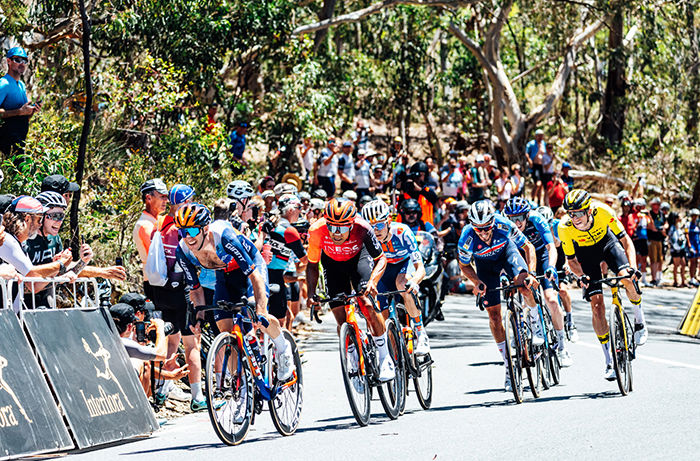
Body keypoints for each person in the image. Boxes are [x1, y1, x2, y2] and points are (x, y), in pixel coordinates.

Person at [175, 203, 296, 382]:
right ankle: (239, 384)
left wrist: (260, 308)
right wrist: (199, 316)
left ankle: (283, 348)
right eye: (182, 232)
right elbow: (196, 288)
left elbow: (254, 276)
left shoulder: (224, 237)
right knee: (225, 328)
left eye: (192, 231)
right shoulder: (183, 251)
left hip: (250, 268)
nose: (187, 238)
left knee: (259, 315)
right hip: (224, 274)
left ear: (205, 228)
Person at [558, 189, 648, 381]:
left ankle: (639, 320)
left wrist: (632, 268)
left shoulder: (604, 211)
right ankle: (609, 360)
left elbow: (626, 241)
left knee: (626, 277)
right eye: (571, 213)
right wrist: (581, 276)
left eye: (579, 213)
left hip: (608, 245)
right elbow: (572, 260)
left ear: (589, 211)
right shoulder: (564, 227)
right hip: (586, 256)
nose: (575, 218)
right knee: (597, 307)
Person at [305, 198, 394, 381]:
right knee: (339, 314)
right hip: (332, 264)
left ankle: (385, 356)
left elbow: (381, 259)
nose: (337, 234)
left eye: (343, 228)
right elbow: (312, 265)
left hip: (358, 259)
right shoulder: (316, 231)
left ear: (352, 225)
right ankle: (353, 356)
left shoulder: (363, 228)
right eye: (333, 228)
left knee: (367, 303)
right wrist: (312, 293)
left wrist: (373, 282)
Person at [458, 200, 538, 391]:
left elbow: (528, 247)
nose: (484, 233)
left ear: (493, 221)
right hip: (485, 268)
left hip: (508, 255)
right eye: (479, 230)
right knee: (494, 316)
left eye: (487, 228)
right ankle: (508, 365)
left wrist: (532, 273)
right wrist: (476, 282)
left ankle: (535, 324)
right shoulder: (466, 238)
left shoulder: (504, 225)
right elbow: (464, 265)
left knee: (524, 286)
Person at [150, 184, 205, 411]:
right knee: (192, 342)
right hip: (182, 288)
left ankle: (162, 391)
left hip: (161, 288)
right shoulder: (185, 228)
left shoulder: (161, 223)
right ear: (186, 201)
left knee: (171, 340)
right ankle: (197, 396)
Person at [23, 191, 126, 308]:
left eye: (62, 216)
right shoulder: (25, 240)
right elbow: (29, 287)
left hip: (47, 304)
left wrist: (83, 261)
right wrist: (58, 269)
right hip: (23, 306)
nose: (59, 221)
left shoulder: (54, 239)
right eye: (55, 216)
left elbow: (63, 272)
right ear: (40, 217)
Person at [504, 197, 572, 366]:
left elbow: (551, 247)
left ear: (527, 216)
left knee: (551, 299)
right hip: (520, 257)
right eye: (512, 218)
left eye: (520, 218)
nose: (516, 222)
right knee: (520, 294)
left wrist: (550, 266)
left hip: (541, 255)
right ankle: (521, 331)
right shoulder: (505, 225)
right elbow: (503, 254)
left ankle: (562, 346)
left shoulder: (537, 219)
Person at [362, 200, 430, 355]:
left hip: (404, 265)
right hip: (383, 269)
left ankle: (421, 333)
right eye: (371, 227)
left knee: (403, 285)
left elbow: (421, 268)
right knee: (381, 316)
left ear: (388, 221)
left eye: (379, 225)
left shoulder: (402, 232)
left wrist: (414, 282)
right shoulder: (366, 238)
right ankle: (394, 356)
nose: (376, 231)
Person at [1, 196, 78, 311]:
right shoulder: (7, 241)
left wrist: (55, 267)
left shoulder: (20, 244)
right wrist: (60, 264)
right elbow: (31, 273)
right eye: (39, 219)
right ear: (27, 219)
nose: (40, 225)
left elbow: (35, 286)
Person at [109, 303, 188, 397]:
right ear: (130, 326)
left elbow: (149, 368)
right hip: (113, 389)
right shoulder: (123, 342)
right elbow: (160, 354)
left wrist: (171, 375)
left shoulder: (105, 336)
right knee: (144, 362)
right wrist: (160, 328)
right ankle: (140, 408)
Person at [262, 194, 308, 328]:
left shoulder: (269, 224)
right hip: (276, 277)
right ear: (290, 210)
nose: (301, 211)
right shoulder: (289, 231)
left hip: (260, 274)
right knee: (280, 321)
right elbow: (305, 260)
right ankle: (277, 348)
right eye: (299, 207)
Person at [537, 206, 578, 342]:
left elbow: (566, 248)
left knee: (562, 291)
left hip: (560, 259)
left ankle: (570, 320)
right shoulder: (535, 228)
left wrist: (567, 263)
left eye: (548, 223)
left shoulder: (557, 226)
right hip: (545, 259)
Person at [0, 47, 40, 157]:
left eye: (25, 61)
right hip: (6, 145)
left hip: (20, 144)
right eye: (17, 60)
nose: (22, 64)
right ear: (8, 61)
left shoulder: (21, 85)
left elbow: (23, 117)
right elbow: (18, 113)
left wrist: (31, 111)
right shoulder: (4, 84)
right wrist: (19, 112)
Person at [133, 179, 168, 299]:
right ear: (148, 198)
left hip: (159, 280)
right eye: (162, 197)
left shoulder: (156, 220)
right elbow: (158, 254)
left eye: (166, 197)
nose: (166, 201)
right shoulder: (145, 225)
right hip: (155, 282)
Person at [631, 198, 651, 286]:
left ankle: (644, 279)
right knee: (637, 258)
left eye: (641, 206)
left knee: (644, 259)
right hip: (636, 239)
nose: (640, 208)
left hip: (644, 238)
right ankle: (635, 279)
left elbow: (651, 225)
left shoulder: (645, 216)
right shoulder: (634, 215)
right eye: (638, 206)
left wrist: (648, 215)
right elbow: (633, 226)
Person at [647, 197, 666, 286]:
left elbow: (666, 223)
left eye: (658, 204)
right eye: (655, 204)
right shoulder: (649, 214)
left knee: (660, 259)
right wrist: (657, 229)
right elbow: (651, 226)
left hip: (660, 239)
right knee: (653, 259)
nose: (657, 206)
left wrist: (664, 227)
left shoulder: (661, 213)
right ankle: (653, 278)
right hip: (652, 239)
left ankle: (659, 277)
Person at [526, 129, 547, 205]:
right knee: (537, 183)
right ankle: (531, 199)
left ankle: (538, 201)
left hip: (542, 166)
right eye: (539, 136)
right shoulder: (531, 144)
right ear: (536, 136)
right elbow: (526, 153)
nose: (541, 138)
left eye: (542, 136)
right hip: (535, 166)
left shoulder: (544, 144)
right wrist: (529, 160)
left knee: (541, 185)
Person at [667, 212, 687, 287]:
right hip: (675, 249)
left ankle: (683, 281)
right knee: (676, 264)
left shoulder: (681, 226)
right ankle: (675, 281)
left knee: (683, 264)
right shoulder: (672, 228)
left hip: (682, 248)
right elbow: (670, 238)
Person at [686, 209, 700, 286]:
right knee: (692, 261)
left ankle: (695, 276)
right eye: (693, 216)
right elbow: (686, 234)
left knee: (697, 261)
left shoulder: (698, 225)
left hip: (698, 244)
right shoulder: (688, 224)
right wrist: (689, 244)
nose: (695, 217)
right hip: (692, 245)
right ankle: (691, 278)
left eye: (696, 216)